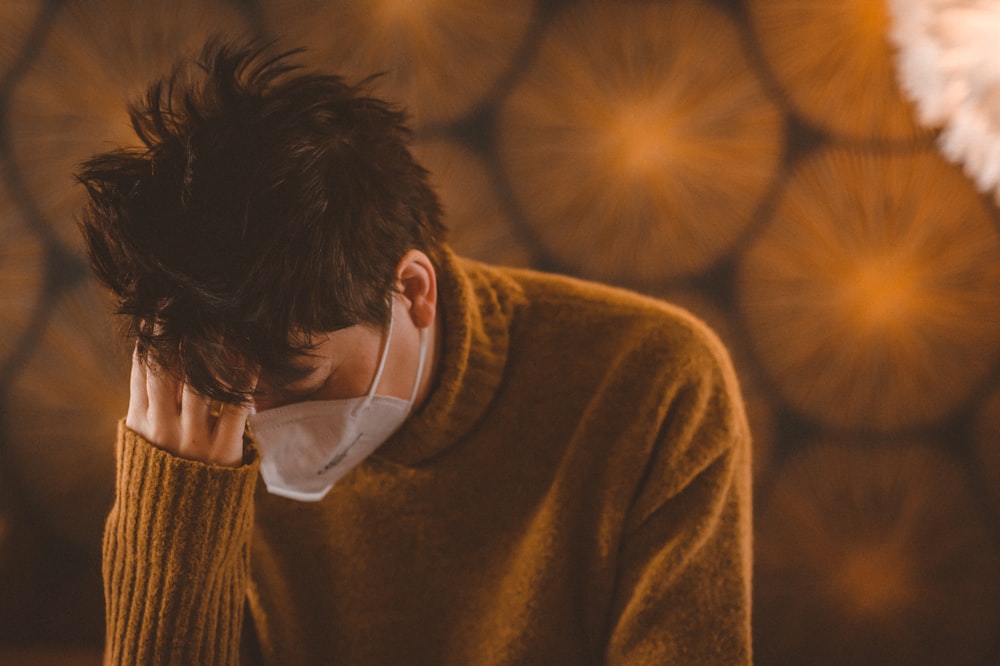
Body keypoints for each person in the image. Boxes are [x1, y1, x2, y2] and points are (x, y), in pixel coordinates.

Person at [77, 39, 752, 665]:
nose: (254, 420)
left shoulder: (658, 384)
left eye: (297, 374)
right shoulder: (194, 424)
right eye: (226, 384)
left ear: (412, 291)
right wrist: (173, 505)